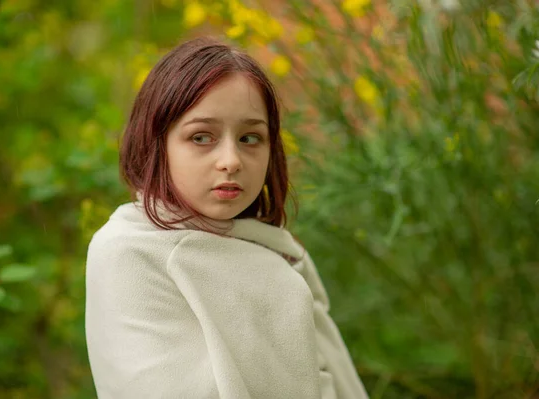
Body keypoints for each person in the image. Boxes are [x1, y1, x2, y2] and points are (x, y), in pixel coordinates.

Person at [85, 36, 369, 399]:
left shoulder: (276, 247)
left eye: (250, 138)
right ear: (156, 142)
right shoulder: (129, 252)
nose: (231, 160)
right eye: (202, 137)